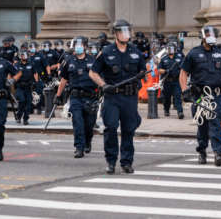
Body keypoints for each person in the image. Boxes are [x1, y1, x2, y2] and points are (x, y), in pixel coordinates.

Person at [90, 19, 146, 174]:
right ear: (115, 33)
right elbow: (93, 72)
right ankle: (111, 161)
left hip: (130, 97)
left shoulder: (135, 51)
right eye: (123, 31)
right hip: (112, 97)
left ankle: (127, 162)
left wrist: (141, 75)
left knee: (129, 130)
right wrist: (103, 85)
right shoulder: (107, 51)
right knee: (111, 128)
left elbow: (143, 70)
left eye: (128, 31)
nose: (126, 34)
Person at [179, 25, 221, 166]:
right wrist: (184, 90)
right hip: (200, 95)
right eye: (208, 34)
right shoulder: (194, 53)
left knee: (215, 121)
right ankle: (202, 151)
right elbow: (183, 73)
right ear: (203, 37)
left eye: (213, 34)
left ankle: (218, 153)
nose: (211, 37)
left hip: (216, 94)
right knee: (203, 125)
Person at [56, 36, 98, 158]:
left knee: (89, 124)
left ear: (85, 46)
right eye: (76, 45)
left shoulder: (93, 60)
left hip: (90, 97)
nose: (78, 47)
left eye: (80, 45)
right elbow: (64, 79)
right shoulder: (69, 61)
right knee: (78, 122)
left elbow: (100, 76)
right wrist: (58, 95)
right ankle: (79, 147)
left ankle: (88, 140)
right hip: (75, 97)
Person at [158, 43, 184, 119]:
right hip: (167, 81)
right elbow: (159, 70)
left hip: (176, 81)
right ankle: (166, 110)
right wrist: (166, 71)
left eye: (172, 49)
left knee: (178, 96)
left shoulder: (180, 57)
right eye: (169, 49)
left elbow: (183, 69)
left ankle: (180, 112)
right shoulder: (163, 58)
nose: (171, 50)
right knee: (167, 97)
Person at [15, 50, 38, 125]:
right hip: (19, 87)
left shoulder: (31, 64)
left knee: (28, 103)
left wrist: (36, 82)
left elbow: (35, 73)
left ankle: (25, 119)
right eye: (22, 55)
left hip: (28, 87)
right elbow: (12, 75)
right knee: (22, 101)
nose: (23, 56)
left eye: (24, 55)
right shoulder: (17, 65)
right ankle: (18, 116)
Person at [29, 41, 50, 114]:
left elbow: (47, 65)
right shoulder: (27, 56)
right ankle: (30, 108)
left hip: (39, 76)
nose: (32, 48)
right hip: (29, 77)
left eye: (34, 47)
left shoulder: (40, 55)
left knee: (39, 92)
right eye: (31, 47)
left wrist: (49, 74)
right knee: (30, 93)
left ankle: (39, 108)